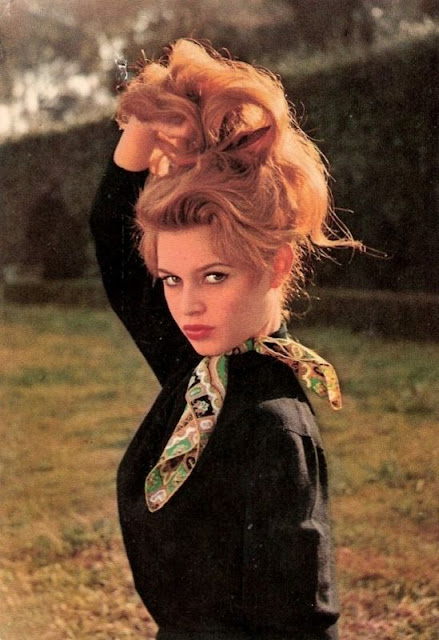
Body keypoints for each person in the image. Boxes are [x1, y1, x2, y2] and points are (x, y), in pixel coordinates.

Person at [90, 38, 359, 640]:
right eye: (171, 279)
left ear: (276, 265)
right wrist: (151, 114)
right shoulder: (201, 364)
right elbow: (112, 232)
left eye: (215, 276)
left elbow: (300, 627)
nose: (187, 305)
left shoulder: (272, 428)